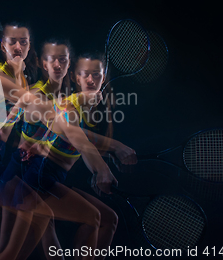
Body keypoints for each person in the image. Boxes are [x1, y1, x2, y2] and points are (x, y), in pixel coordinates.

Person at [20, 46, 137, 260]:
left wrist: (112, 150)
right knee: (93, 218)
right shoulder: (67, 106)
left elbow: (85, 138)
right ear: (74, 76)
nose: (91, 80)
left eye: (97, 74)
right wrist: (102, 168)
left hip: (50, 181)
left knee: (108, 219)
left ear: (104, 78)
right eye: (85, 74)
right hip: (34, 182)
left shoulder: (87, 113)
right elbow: (79, 140)